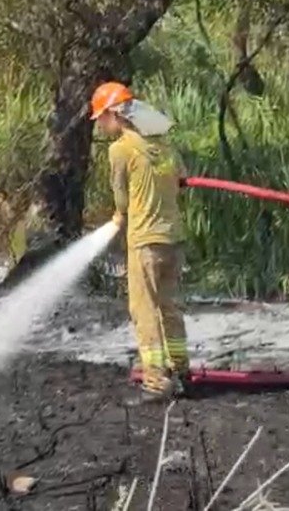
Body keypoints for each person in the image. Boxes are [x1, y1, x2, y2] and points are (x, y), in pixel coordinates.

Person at [89, 81, 190, 403]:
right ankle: (181, 371)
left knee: (144, 311)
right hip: (173, 240)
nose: (101, 126)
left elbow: (121, 197)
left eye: (101, 118)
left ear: (114, 114)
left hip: (145, 241)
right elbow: (182, 181)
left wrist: (119, 216)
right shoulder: (165, 146)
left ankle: (156, 381)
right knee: (169, 308)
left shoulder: (120, 149)